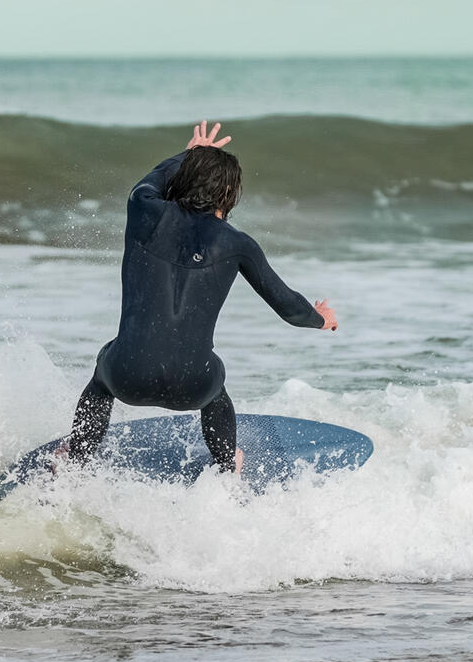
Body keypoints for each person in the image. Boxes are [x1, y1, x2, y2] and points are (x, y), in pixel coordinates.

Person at [65, 120, 337, 475]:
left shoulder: (144, 208)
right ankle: (227, 466)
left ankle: (75, 460)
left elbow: (151, 180)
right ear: (231, 194)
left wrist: (187, 155)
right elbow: (287, 306)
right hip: (194, 386)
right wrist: (321, 319)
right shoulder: (239, 244)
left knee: (103, 373)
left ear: (184, 179)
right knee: (217, 384)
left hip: (126, 377)